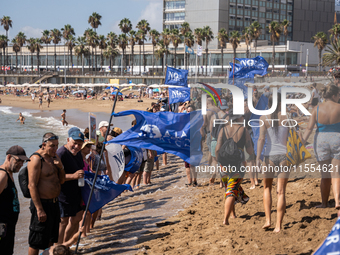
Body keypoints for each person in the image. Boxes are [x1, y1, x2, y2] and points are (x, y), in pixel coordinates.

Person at [301, 84, 340, 209]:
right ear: (334, 95)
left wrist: (301, 143)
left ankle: (324, 203)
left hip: (321, 140)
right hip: (337, 139)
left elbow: (308, 128)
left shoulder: (317, 109)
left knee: (325, 174)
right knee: (336, 172)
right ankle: (338, 202)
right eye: (338, 95)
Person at [27, 133, 66, 255]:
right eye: (52, 146)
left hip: (54, 204)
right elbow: (31, 185)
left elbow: (62, 180)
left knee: (51, 238)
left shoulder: (55, 157)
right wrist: (39, 209)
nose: (55, 149)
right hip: (42, 204)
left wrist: (60, 167)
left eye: (56, 146)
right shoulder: (36, 159)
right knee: (36, 241)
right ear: (44, 145)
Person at [256, 95, 289, 233]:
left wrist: (258, 158)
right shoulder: (287, 117)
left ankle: (268, 220)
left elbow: (261, 139)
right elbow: (290, 137)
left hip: (269, 156)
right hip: (284, 156)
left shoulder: (263, 118)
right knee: (281, 192)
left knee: (267, 188)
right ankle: (278, 226)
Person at [215, 112, 254, 226]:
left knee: (229, 187)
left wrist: (220, 162)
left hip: (224, 165)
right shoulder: (243, 130)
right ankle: (225, 219)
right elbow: (250, 150)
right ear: (239, 118)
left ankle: (233, 214)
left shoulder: (223, 130)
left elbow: (217, 148)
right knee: (232, 190)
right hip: (238, 164)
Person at [56, 127, 85, 244]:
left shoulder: (78, 153)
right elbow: (55, 177)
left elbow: (81, 169)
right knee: (63, 222)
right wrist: (73, 176)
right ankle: (58, 248)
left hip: (76, 192)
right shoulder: (61, 153)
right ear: (68, 140)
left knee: (77, 218)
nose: (77, 147)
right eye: (74, 143)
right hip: (63, 195)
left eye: (80, 144)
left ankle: (66, 245)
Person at [0, 145, 29, 255]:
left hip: (8, 226)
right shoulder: (2, 175)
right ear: (8, 157)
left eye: (23, 162)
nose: (21, 164)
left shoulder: (9, 174)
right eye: (18, 161)